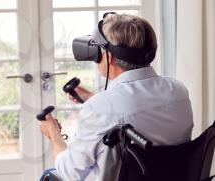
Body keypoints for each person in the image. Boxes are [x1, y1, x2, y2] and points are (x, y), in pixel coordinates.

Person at [39, 13, 194, 180]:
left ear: (108, 56)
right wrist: (95, 99)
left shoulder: (99, 108)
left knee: (49, 174)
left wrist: (53, 133)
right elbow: (131, 108)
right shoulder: (178, 91)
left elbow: (70, 174)